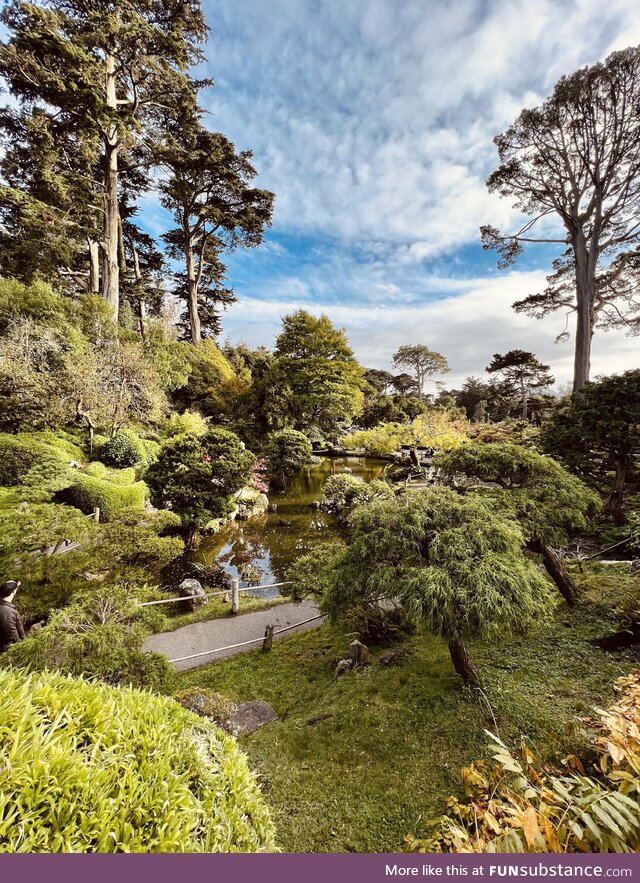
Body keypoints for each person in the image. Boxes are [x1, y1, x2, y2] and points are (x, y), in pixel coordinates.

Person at [0, 580, 26, 653]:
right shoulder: (8, 612)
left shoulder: (4, 607)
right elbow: (11, 637)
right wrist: (22, 647)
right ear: (13, 592)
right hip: (7, 652)